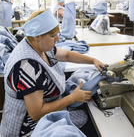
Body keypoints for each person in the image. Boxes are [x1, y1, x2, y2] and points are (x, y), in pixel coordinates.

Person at [0, 9, 105, 137]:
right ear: (37, 36)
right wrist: (72, 98)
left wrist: (93, 60)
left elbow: (66, 55)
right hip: (28, 129)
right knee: (90, 124)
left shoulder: (39, 46)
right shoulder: (28, 67)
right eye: (52, 36)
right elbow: (36, 113)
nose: (58, 39)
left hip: (40, 115)